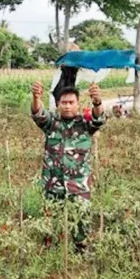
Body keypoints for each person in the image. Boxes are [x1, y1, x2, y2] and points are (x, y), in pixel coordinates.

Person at [31, 81, 105, 247]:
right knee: (50, 219)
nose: (67, 106)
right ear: (58, 104)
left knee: (81, 219)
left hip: (78, 184)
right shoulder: (51, 124)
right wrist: (36, 97)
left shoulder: (85, 125)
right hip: (53, 183)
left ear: (77, 104)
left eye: (71, 102)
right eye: (64, 102)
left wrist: (97, 101)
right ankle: (49, 249)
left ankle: (81, 249)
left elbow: (98, 119)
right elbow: (38, 113)